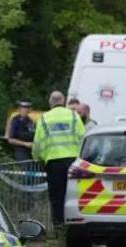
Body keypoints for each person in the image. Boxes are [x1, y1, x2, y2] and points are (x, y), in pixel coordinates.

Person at [33, 91, 85, 226]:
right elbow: (82, 138)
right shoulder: (74, 116)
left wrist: (38, 158)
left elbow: (38, 144)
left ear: (50, 102)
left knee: (56, 198)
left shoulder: (44, 118)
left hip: (53, 162)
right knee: (73, 196)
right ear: (64, 101)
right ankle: (74, 225)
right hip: (73, 162)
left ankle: (59, 228)